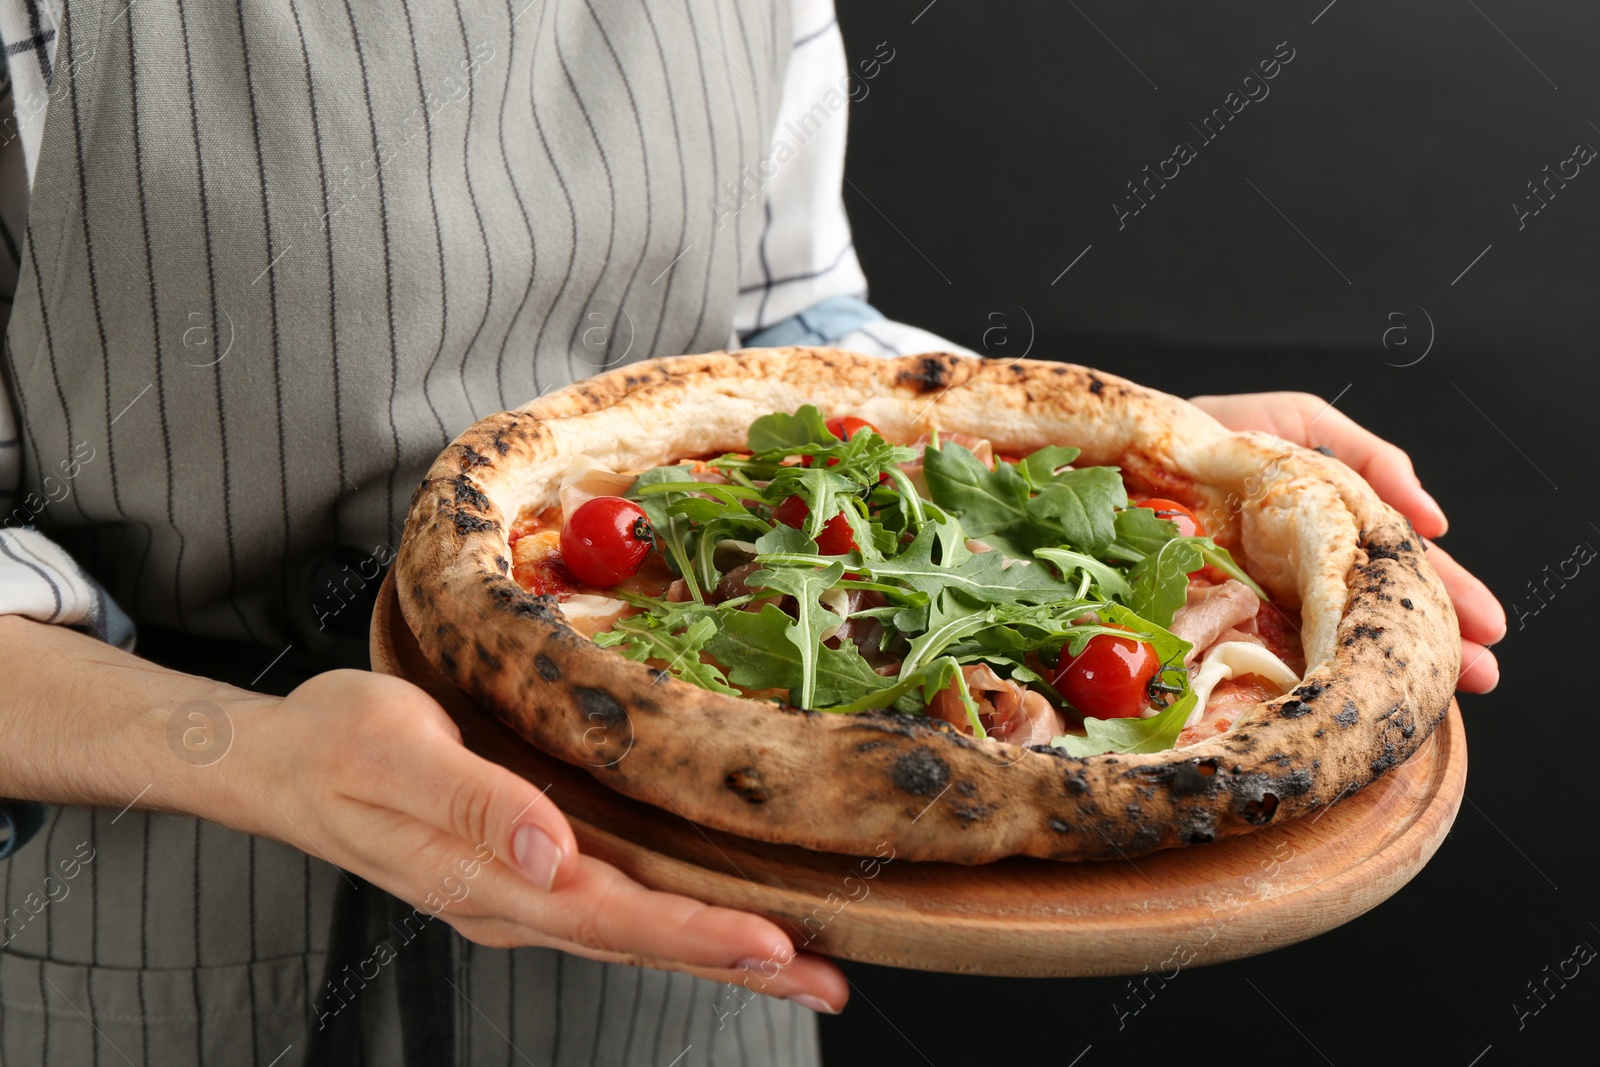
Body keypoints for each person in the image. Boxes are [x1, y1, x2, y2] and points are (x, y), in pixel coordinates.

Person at [0, 0, 1503, 1064]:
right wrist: (250, 758)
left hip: (690, 945)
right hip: (142, 905)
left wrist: (1079, 479)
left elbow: (776, 327)